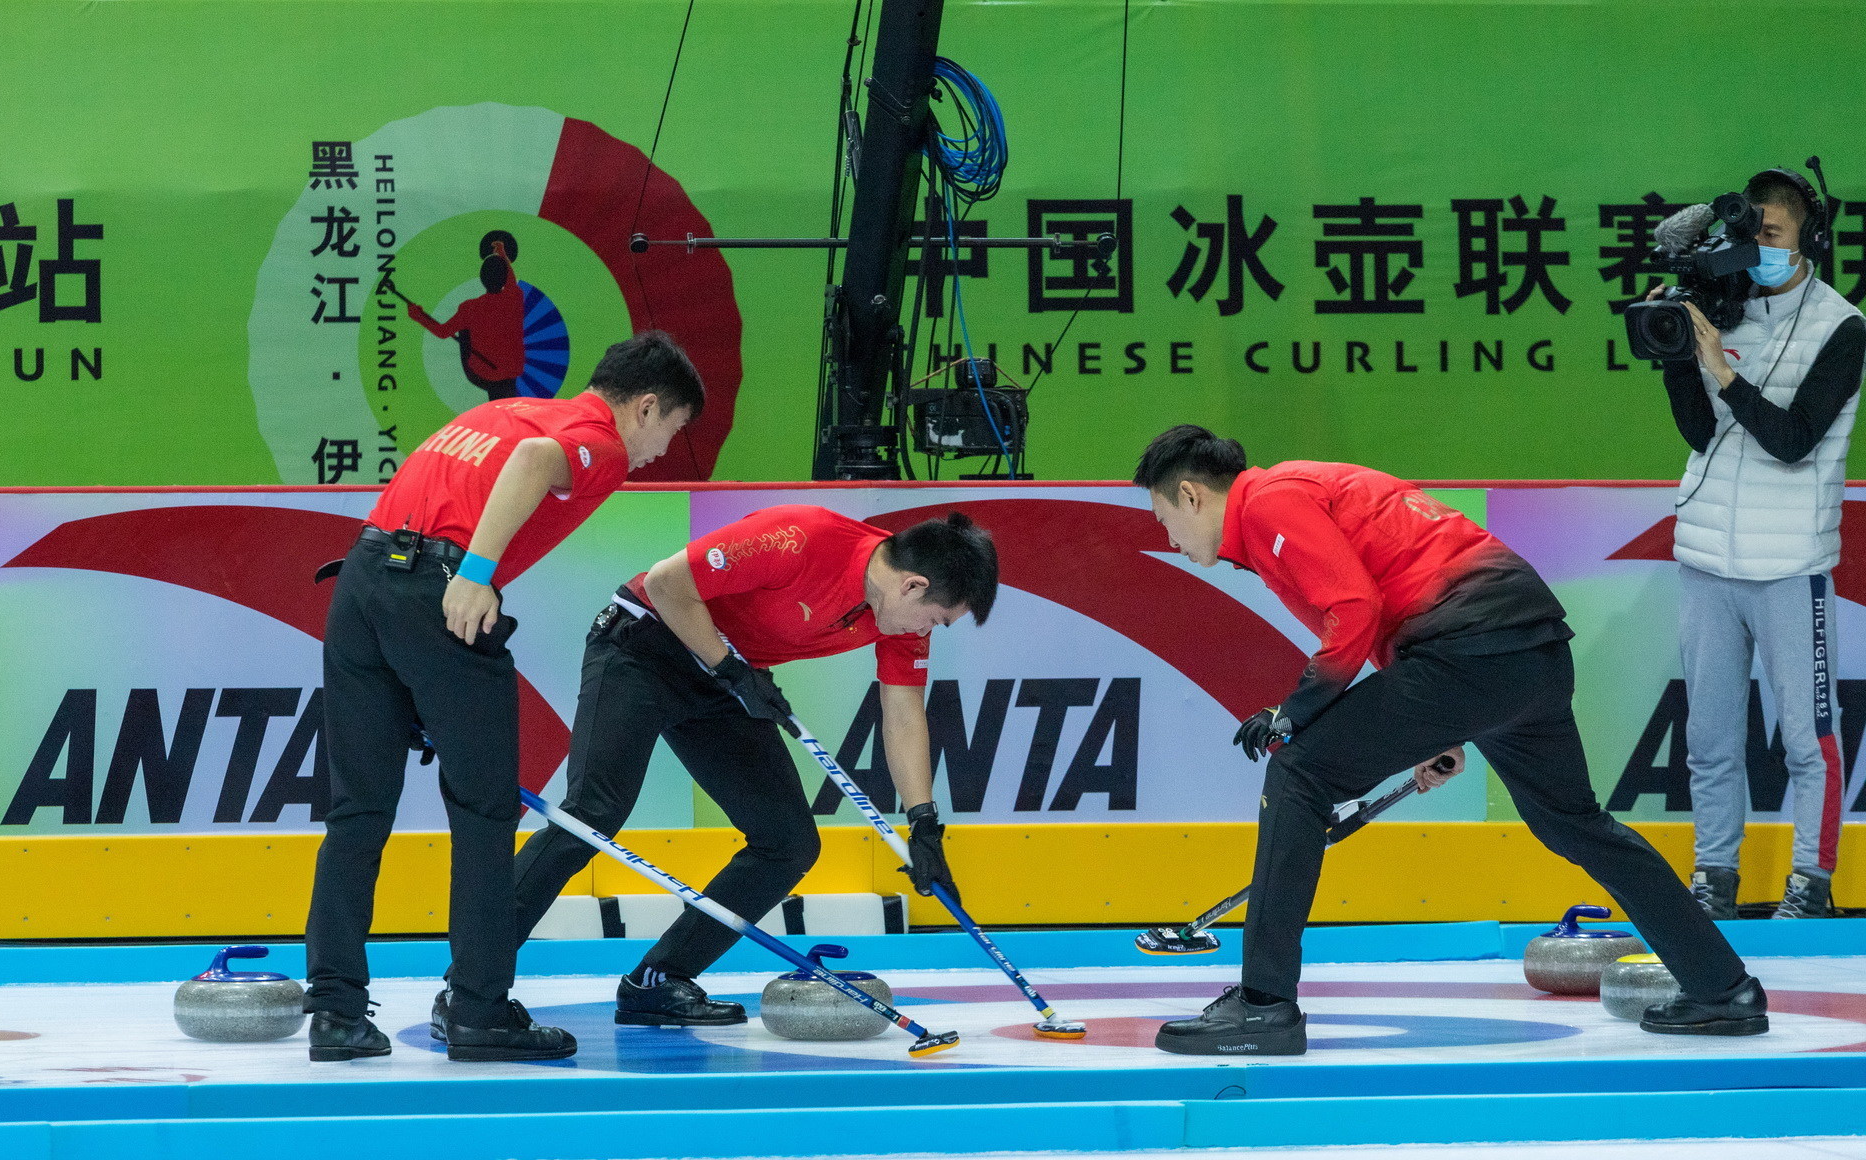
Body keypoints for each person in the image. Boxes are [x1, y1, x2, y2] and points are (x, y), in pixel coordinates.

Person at [1133, 425, 1765, 1057]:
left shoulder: (1270, 502)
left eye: (1165, 520)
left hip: (1466, 652)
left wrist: (1292, 712)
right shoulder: (1293, 493)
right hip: (1530, 648)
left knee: (1299, 772)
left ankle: (1264, 1003)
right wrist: (1442, 729)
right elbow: (1388, 602)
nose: (1171, 540)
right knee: (1576, 825)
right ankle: (1722, 988)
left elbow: (1353, 607)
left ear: (1191, 495)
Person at [302, 331, 703, 1063]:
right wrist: (475, 574)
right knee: (484, 814)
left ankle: (334, 1012)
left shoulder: (505, 411)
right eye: (671, 430)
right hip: (441, 593)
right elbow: (533, 464)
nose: (660, 452)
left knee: (356, 812)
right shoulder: (597, 441)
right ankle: (479, 1010)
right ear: (646, 406)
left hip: (361, 581)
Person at [509, 505, 998, 1026]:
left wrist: (923, 823)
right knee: (591, 816)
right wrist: (731, 669)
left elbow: (902, 712)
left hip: (726, 678)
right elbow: (666, 583)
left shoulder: (901, 620)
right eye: (937, 619)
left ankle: (658, 980)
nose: (930, 629)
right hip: (645, 645)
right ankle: (474, 983)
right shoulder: (802, 538)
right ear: (913, 586)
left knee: (788, 842)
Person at [1656, 167, 1864, 920]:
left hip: (1789, 568)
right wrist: (1681, 357)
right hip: (1706, 561)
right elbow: (1699, 432)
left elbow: (1794, 440)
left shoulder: (1842, 326)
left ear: (1809, 240)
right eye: (1750, 235)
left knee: (1809, 740)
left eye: (1772, 235)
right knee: (1709, 739)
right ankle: (1714, 878)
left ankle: (1811, 883)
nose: (1758, 249)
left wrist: (1722, 370)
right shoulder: (1726, 307)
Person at [408, 231, 528, 400]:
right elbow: (511, 282)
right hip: (512, 369)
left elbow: (442, 332)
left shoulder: (469, 308)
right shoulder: (515, 297)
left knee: (464, 329)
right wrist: (502, 254)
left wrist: (418, 316)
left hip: (484, 372)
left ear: (482, 278)